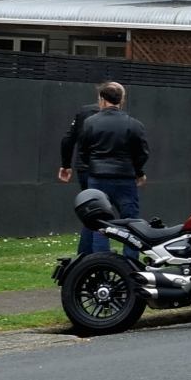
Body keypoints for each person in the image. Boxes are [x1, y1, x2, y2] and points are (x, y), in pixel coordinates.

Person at [77, 82, 149, 258]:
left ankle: (101, 260)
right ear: (121, 100)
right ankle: (131, 262)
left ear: (102, 100)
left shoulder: (90, 122)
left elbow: (83, 151)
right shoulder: (134, 124)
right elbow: (142, 153)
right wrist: (138, 171)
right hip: (125, 177)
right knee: (131, 221)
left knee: (99, 221)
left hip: (98, 177)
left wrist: (92, 165)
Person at [58, 96, 100, 255]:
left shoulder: (84, 113)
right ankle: (94, 254)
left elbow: (68, 139)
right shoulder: (121, 117)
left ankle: (85, 255)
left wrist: (66, 164)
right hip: (106, 170)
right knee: (100, 214)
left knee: (91, 212)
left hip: (84, 167)